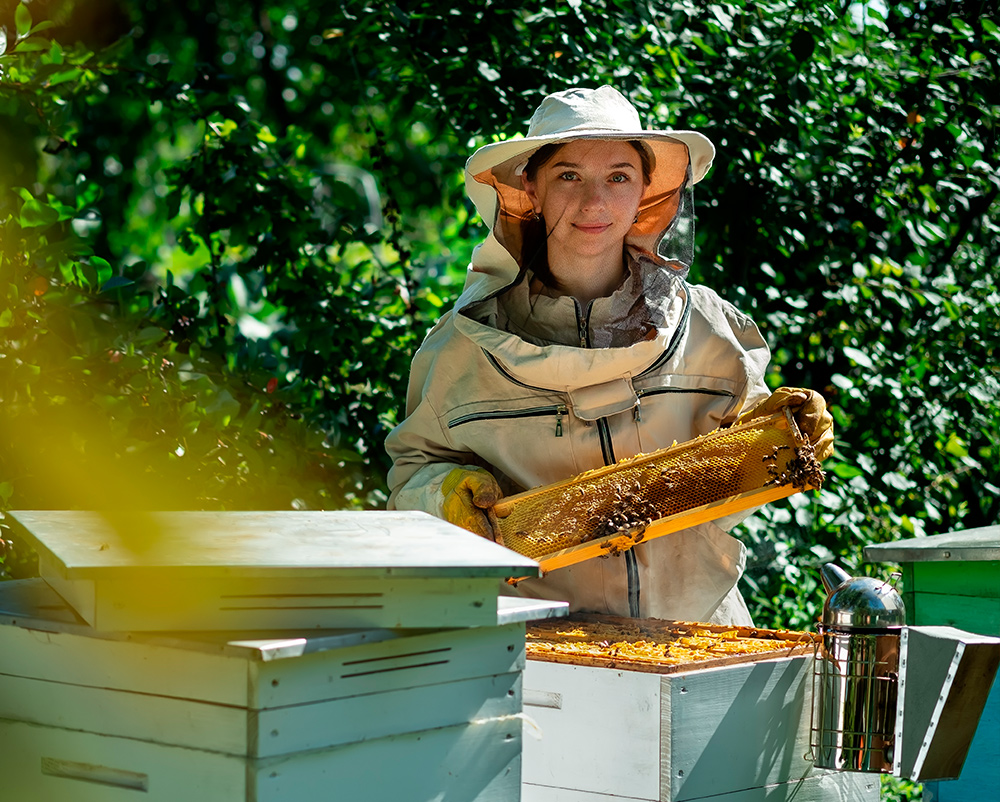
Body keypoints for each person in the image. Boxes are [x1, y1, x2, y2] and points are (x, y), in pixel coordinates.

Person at [384, 86, 833, 625]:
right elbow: (408, 483)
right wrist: (442, 495)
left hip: (692, 633)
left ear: (646, 190)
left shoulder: (711, 328)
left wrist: (780, 439)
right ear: (531, 187)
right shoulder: (459, 348)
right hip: (533, 649)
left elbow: (743, 481)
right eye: (568, 175)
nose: (594, 203)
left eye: (618, 177)